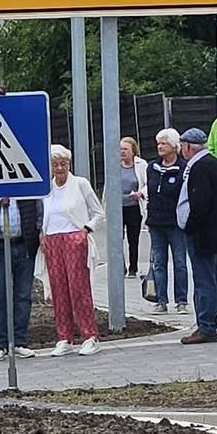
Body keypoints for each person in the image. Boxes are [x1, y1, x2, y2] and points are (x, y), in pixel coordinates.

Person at [175, 129, 217, 344]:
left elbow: (199, 203)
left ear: (187, 147)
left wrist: (190, 226)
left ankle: (206, 326)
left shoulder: (199, 168)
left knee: (205, 281)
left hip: (204, 233)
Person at [0, 178, 46, 362]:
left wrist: (40, 234)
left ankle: (19, 342)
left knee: (23, 295)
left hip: (24, 245)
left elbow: (39, 213)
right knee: (0, 295)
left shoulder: (27, 185)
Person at [40, 146, 104, 356]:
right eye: (55, 164)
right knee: (58, 290)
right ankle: (64, 337)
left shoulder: (80, 184)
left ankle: (89, 335)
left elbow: (98, 212)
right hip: (52, 241)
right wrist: (42, 235)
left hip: (74, 239)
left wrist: (85, 230)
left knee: (79, 289)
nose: (59, 168)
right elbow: (43, 215)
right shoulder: (46, 189)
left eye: (63, 164)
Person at [143, 130, 188, 314]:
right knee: (159, 262)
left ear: (174, 146)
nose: (160, 146)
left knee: (180, 262)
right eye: (158, 143)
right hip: (155, 222)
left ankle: (182, 301)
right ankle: (161, 300)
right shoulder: (152, 167)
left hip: (175, 223)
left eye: (164, 143)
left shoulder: (183, 168)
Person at [110, 136, 145, 279]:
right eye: (120, 149)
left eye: (125, 149)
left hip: (134, 207)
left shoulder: (141, 165)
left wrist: (141, 193)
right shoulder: (114, 164)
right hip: (118, 207)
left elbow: (147, 183)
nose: (122, 152)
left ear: (133, 151)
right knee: (117, 239)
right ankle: (120, 267)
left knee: (133, 238)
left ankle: (133, 267)